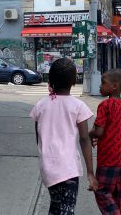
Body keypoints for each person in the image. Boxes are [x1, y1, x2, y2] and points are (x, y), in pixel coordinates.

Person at [30, 58, 98, 214]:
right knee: (66, 209)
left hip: (48, 167)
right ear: (74, 81)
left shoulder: (41, 105)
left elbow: (38, 137)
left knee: (56, 205)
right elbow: (84, 139)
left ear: (50, 78)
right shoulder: (78, 106)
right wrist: (90, 172)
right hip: (68, 168)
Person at [89, 69, 121, 215]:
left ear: (115, 86)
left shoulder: (105, 105)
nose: (100, 86)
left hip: (110, 158)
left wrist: (89, 135)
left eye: (103, 83)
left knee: (102, 191)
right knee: (119, 194)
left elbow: (98, 131)